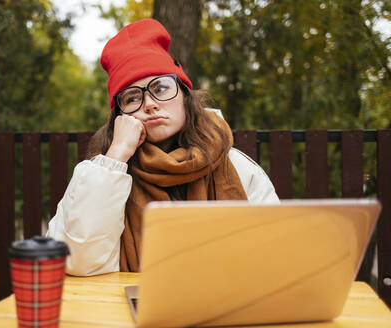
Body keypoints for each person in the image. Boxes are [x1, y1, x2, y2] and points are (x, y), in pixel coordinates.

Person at [47, 18, 279, 276]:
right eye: (132, 96)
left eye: (161, 88)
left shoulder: (237, 166)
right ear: (119, 115)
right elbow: (80, 262)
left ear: (184, 95)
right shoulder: (98, 175)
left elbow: (274, 253)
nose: (150, 103)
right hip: (123, 309)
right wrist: (116, 156)